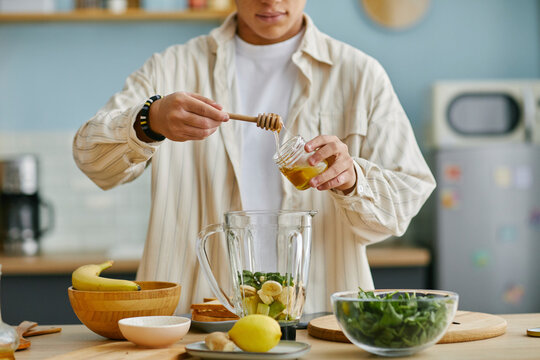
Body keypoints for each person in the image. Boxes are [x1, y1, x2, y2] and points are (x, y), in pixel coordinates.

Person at [73, 0, 436, 314]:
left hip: (319, 315)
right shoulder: (171, 69)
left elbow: (404, 201)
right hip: (194, 316)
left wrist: (354, 178)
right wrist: (148, 121)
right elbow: (92, 161)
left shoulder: (360, 75)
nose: (270, 0)